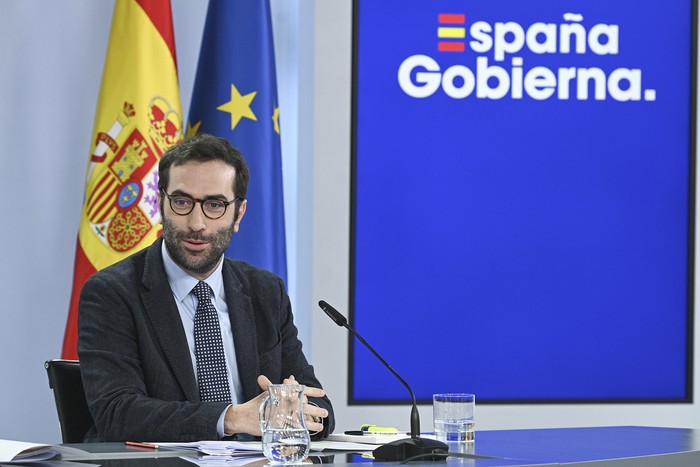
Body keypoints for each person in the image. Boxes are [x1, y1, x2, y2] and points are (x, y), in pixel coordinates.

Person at [78, 134, 334, 442]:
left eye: (215, 205)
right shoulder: (112, 293)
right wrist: (232, 418)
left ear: (238, 214)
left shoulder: (266, 292)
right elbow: (116, 413)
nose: (197, 223)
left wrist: (295, 408)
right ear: (161, 203)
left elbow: (319, 405)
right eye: (182, 202)